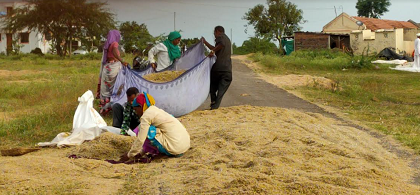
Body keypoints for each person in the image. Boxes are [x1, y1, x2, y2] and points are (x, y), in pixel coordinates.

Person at [121, 92, 190, 163]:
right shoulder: (156, 110)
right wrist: (141, 152)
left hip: (175, 148)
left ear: (140, 106)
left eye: (135, 109)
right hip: (184, 145)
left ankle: (164, 150)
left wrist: (130, 155)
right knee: (151, 129)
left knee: (142, 129)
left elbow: (141, 139)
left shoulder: (146, 116)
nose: (136, 112)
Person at [201, 26, 232, 110]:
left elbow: (221, 44)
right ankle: (215, 104)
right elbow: (216, 47)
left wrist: (213, 51)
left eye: (214, 33)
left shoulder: (221, 37)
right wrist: (205, 42)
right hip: (227, 69)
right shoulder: (228, 39)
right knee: (221, 89)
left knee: (212, 85)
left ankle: (214, 102)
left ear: (217, 31)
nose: (214, 35)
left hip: (218, 68)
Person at [98, 30, 128, 114]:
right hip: (114, 68)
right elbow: (115, 51)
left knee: (106, 89)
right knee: (115, 87)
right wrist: (121, 61)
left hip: (107, 68)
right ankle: (114, 107)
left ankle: (104, 109)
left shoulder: (107, 45)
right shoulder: (114, 43)